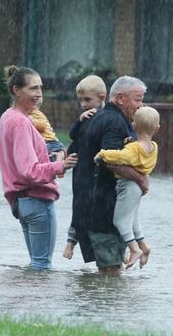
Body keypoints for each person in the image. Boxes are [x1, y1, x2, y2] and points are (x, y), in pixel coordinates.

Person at [0, 65, 78, 270]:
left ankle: (24, 301)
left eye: (40, 88)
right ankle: (36, 302)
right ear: (17, 90)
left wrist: (55, 160)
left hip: (21, 203)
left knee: (35, 265)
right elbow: (29, 170)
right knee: (42, 267)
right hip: (37, 202)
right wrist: (61, 164)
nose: (39, 94)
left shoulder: (8, 116)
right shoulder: (20, 122)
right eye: (33, 88)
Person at [68, 75, 149, 275]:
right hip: (102, 212)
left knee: (103, 282)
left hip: (86, 208)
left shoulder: (94, 117)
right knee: (111, 276)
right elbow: (110, 160)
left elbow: (73, 151)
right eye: (137, 100)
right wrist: (140, 179)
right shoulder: (114, 122)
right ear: (120, 98)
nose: (142, 105)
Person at [93, 106, 159, 269]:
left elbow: (121, 157)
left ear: (134, 126)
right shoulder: (153, 147)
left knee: (120, 221)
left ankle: (134, 249)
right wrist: (130, 144)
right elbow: (135, 158)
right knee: (133, 220)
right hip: (137, 188)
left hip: (128, 186)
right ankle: (144, 246)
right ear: (157, 129)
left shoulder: (134, 149)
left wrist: (103, 154)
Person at [62, 75, 108, 261]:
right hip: (81, 176)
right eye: (80, 100)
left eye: (87, 100)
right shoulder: (85, 119)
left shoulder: (107, 120)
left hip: (93, 177)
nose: (83, 104)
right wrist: (80, 121)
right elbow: (73, 136)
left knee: (91, 212)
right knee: (78, 209)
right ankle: (71, 243)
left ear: (102, 98)